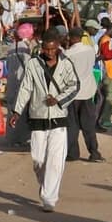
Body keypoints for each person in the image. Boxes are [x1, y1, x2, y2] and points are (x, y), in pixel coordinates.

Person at [9, 29, 79, 212]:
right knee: (38, 160)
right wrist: (17, 111)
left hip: (58, 118)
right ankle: (46, 186)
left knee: (55, 161)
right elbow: (26, 88)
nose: (50, 52)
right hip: (38, 117)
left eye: (53, 49)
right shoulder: (33, 64)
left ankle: (49, 198)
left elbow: (74, 86)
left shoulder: (66, 64)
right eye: (46, 49)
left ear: (58, 47)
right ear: (42, 47)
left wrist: (59, 100)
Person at [64, 27, 104, 162]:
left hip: (73, 93)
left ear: (70, 37)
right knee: (89, 125)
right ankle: (94, 152)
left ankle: (72, 153)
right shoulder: (90, 50)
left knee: (72, 125)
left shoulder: (68, 54)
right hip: (87, 91)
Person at [5, 23, 34, 146]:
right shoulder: (26, 50)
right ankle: (21, 138)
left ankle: (11, 138)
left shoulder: (11, 47)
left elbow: (7, 66)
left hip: (11, 82)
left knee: (11, 109)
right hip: (21, 82)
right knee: (21, 110)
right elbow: (29, 66)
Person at [97, 23, 112, 129]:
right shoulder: (105, 39)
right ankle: (105, 119)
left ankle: (104, 118)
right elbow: (106, 54)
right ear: (111, 30)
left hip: (109, 70)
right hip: (108, 71)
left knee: (107, 96)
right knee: (109, 97)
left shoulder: (105, 39)